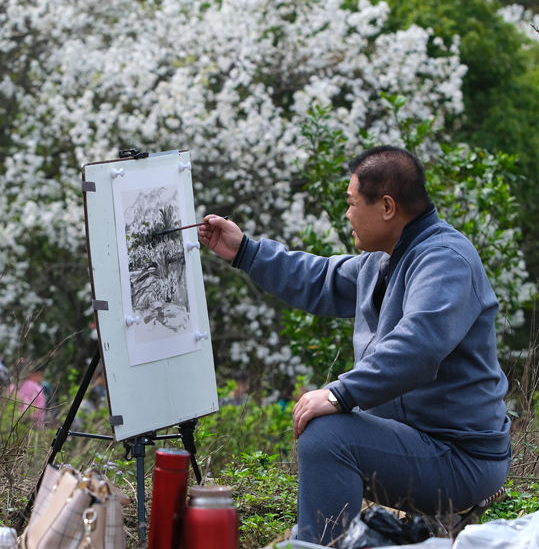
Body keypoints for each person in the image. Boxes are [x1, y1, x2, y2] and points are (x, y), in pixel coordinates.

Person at [199, 146, 511, 546]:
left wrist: (339, 393)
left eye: (351, 203)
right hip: (419, 444)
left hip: (460, 458)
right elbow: (318, 278)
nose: (347, 214)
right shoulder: (384, 258)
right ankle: (327, 539)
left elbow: (418, 345)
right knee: (330, 432)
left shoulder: (445, 259)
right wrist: (245, 251)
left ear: (386, 207)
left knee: (328, 436)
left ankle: (320, 543)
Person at [12, 363, 47, 429]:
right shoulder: (37, 388)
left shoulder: (21, 384)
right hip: (32, 424)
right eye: (41, 375)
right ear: (36, 373)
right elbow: (40, 407)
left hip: (18, 419)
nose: (41, 377)